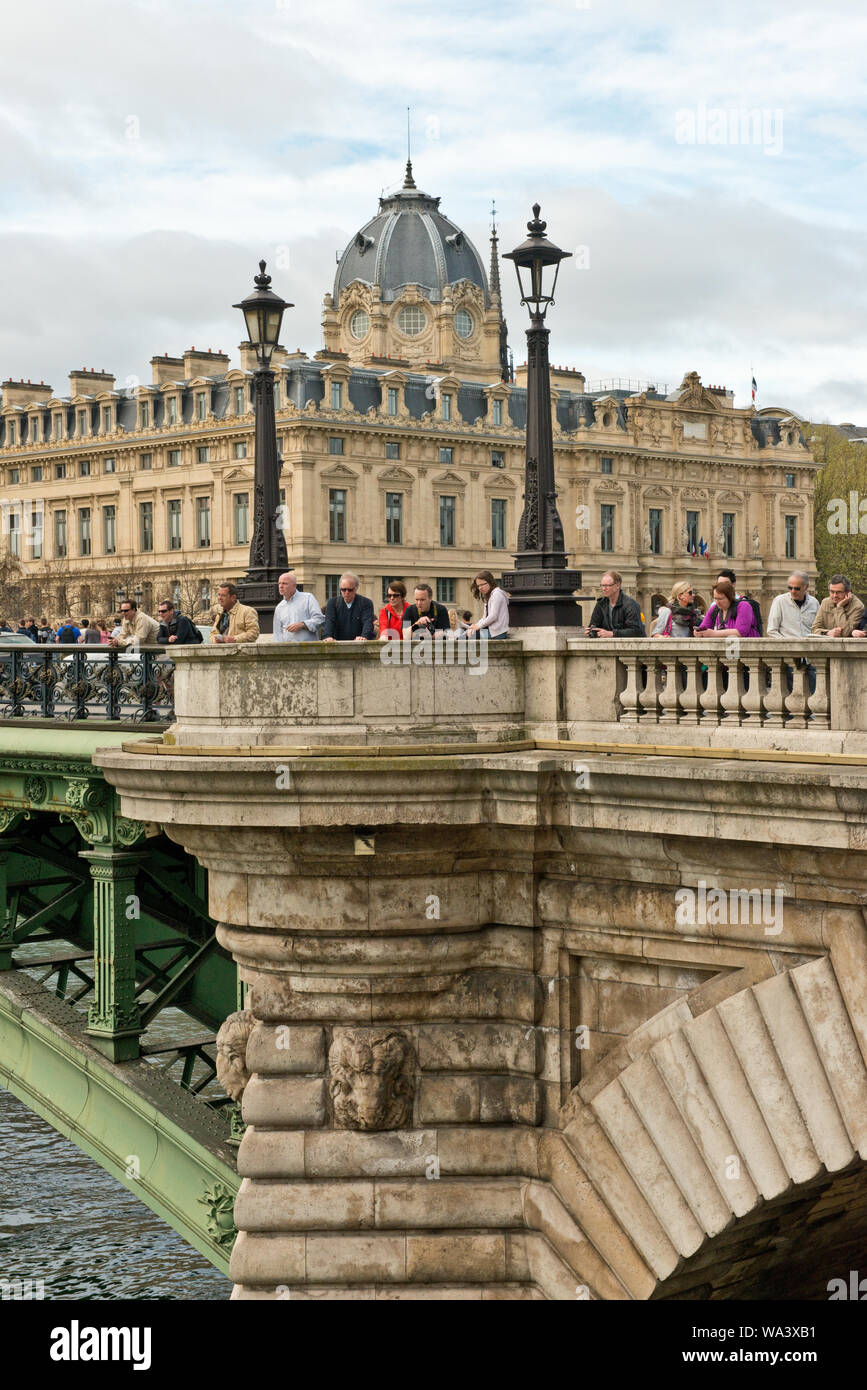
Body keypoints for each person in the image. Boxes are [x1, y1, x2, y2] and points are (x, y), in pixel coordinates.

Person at [585, 571, 644, 637]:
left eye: (607, 585)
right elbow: (594, 624)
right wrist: (592, 630)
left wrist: (612, 633)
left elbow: (636, 631)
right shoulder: (601, 603)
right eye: (602, 585)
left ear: (617, 586)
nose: (604, 589)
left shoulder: (630, 604)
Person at [273, 571, 324, 643]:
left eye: (285, 583)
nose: (281, 586)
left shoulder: (308, 598)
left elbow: (319, 619)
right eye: (279, 583)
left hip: (308, 648)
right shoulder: (279, 607)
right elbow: (277, 633)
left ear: (294, 585)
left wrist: (302, 624)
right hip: (288, 650)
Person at [696, 579, 760, 636]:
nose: (717, 602)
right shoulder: (714, 609)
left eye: (720, 599)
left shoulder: (744, 606)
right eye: (715, 598)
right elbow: (703, 627)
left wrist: (713, 633)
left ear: (730, 597)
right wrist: (698, 632)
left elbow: (740, 632)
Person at [322, 573, 375, 642]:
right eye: (343, 590)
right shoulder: (332, 603)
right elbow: (329, 622)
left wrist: (364, 636)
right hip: (337, 644)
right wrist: (328, 636)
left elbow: (368, 623)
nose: (346, 592)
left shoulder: (366, 603)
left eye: (350, 590)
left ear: (356, 588)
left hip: (359, 645)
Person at [767, 573, 819, 637]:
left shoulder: (814, 603)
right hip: (786, 645)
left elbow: (818, 628)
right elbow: (771, 630)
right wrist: (787, 644)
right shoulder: (779, 601)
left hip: (809, 645)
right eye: (790, 588)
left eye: (797, 588)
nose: (793, 591)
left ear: (806, 587)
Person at [466, 570, 510, 639]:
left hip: (497, 633)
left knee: (466, 636)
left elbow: (493, 616)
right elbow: (485, 617)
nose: (480, 588)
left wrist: (478, 627)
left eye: (482, 584)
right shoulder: (489, 596)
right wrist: (475, 625)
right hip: (491, 631)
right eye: (478, 586)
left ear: (490, 582)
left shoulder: (497, 594)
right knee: (466, 632)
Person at [719, 568, 763, 635]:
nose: (722, 587)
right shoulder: (714, 605)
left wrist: (713, 633)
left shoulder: (743, 604)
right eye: (719, 584)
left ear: (734, 584)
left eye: (725, 584)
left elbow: (741, 631)